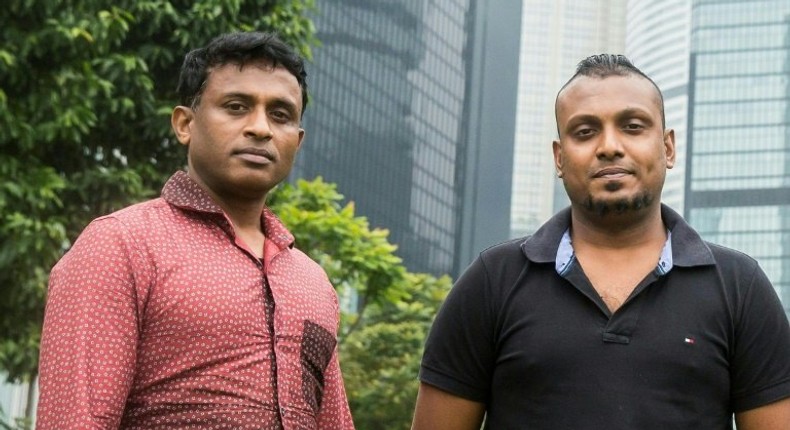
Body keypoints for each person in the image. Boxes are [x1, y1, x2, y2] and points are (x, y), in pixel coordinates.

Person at [411, 54, 790, 429]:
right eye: (585, 131)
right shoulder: (492, 282)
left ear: (668, 147)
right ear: (559, 159)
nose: (609, 145)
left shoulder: (740, 286)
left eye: (633, 126)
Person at [37, 32, 354, 429]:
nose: (261, 128)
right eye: (236, 107)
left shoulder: (313, 283)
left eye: (281, 115)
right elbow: (76, 420)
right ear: (185, 124)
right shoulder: (121, 245)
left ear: (298, 141)